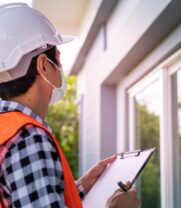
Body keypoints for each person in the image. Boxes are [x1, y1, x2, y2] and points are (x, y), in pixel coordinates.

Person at [0, 3, 138, 208]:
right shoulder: (28, 138)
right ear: (44, 65)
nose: (61, 69)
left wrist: (80, 187)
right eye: (58, 61)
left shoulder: (7, 130)